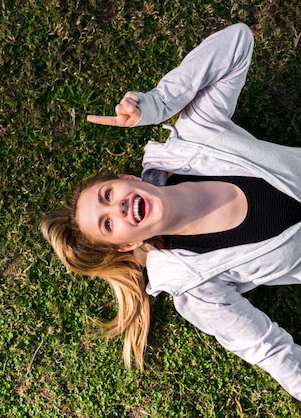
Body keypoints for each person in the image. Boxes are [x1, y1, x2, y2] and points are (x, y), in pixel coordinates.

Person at [42, 23, 301, 400]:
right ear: (125, 246)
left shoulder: (197, 136)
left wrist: (156, 104)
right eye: (108, 222)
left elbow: (237, 42)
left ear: (129, 177)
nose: (119, 207)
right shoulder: (195, 287)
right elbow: (270, 350)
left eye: (109, 194)